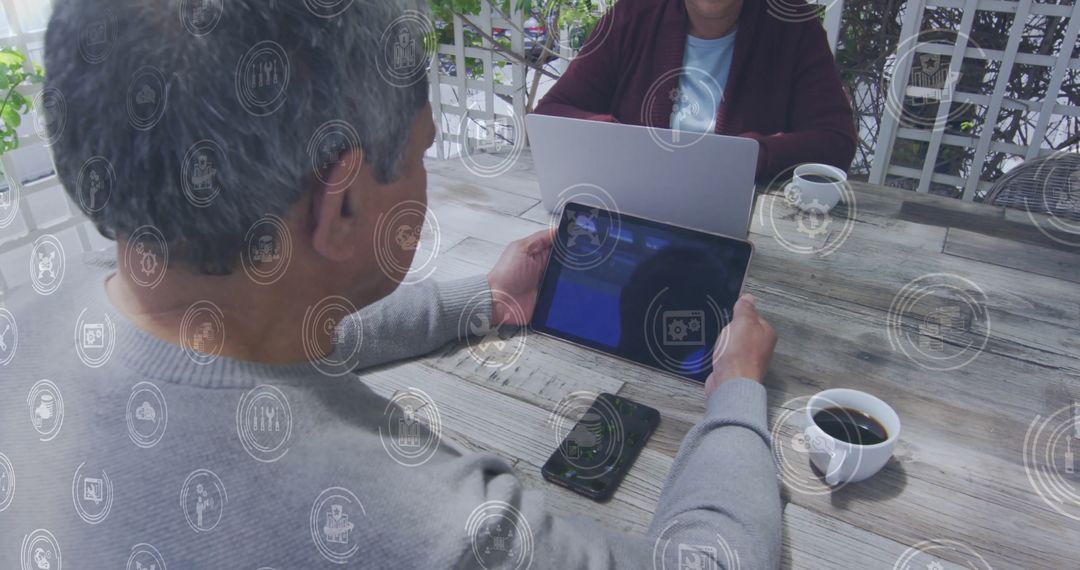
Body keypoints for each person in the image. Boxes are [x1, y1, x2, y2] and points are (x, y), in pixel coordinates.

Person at [0, 0, 781, 568]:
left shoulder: (41, 312)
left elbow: (275, 328)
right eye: (422, 153)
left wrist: (482, 300)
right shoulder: (435, 528)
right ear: (341, 202)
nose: (424, 176)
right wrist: (737, 387)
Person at [534, 0, 857, 181]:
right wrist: (622, 141)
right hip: (635, 212)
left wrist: (751, 156)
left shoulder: (792, 25)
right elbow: (552, 112)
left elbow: (836, 141)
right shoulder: (631, 15)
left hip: (749, 227)